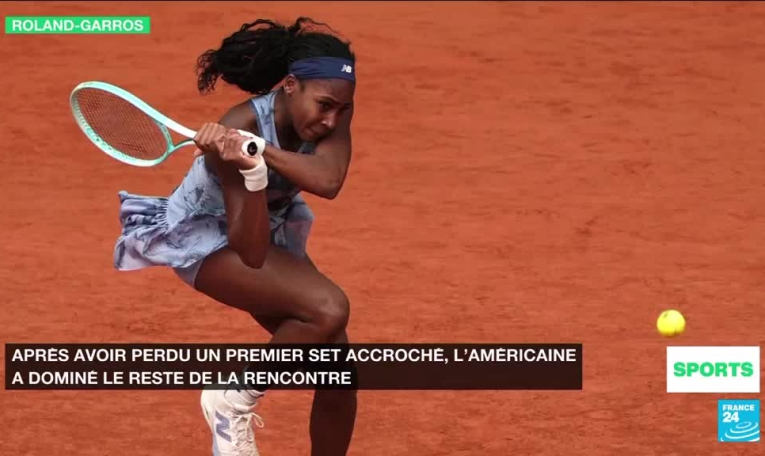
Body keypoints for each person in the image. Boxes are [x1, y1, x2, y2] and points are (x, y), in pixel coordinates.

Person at [113, 17, 358, 456]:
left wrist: (261, 152)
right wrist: (251, 171)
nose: (331, 120)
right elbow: (251, 253)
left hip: (267, 227)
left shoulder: (331, 107)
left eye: (341, 109)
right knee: (328, 308)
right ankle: (233, 397)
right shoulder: (241, 123)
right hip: (208, 240)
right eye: (324, 105)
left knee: (337, 369)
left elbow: (328, 179)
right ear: (290, 86)